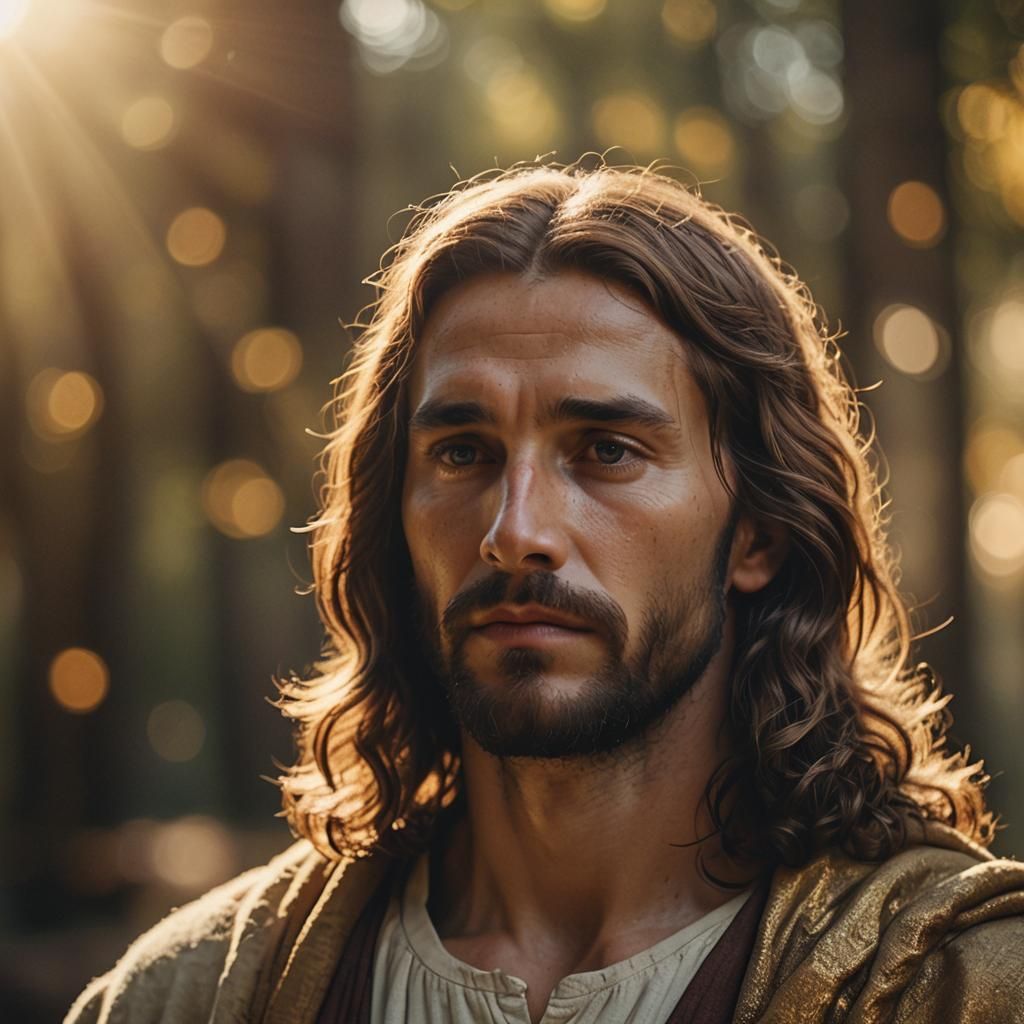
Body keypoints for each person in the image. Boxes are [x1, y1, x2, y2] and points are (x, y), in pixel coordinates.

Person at [67, 162, 1024, 1024]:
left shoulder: (959, 987)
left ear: (758, 533)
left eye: (606, 450)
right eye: (462, 453)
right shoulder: (191, 997)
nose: (514, 529)